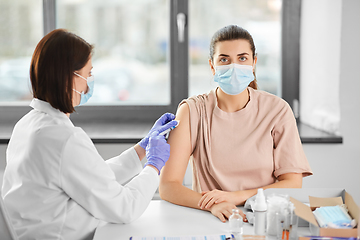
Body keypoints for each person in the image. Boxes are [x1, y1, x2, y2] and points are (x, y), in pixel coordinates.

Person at [1, 29, 178, 240]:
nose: (90, 81)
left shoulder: (28, 124)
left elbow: (94, 176)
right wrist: (154, 165)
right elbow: (125, 207)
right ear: (69, 78)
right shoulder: (63, 138)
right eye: (88, 73)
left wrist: (141, 149)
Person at [159, 25, 313, 223]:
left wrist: (238, 195)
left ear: (253, 63)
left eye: (242, 58)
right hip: (211, 218)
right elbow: (168, 186)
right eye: (224, 59)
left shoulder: (277, 110)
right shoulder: (192, 110)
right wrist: (214, 204)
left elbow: (292, 182)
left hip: (263, 218)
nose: (233, 66)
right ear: (212, 66)